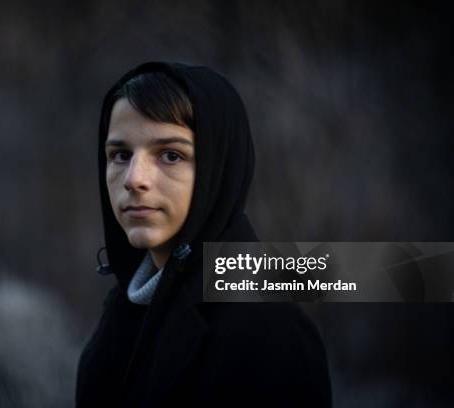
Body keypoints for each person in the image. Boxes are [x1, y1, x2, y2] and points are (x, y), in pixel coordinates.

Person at [76, 61, 332, 407]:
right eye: (120, 154)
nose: (134, 178)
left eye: (170, 154)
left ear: (219, 168)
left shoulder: (268, 328)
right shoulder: (123, 311)